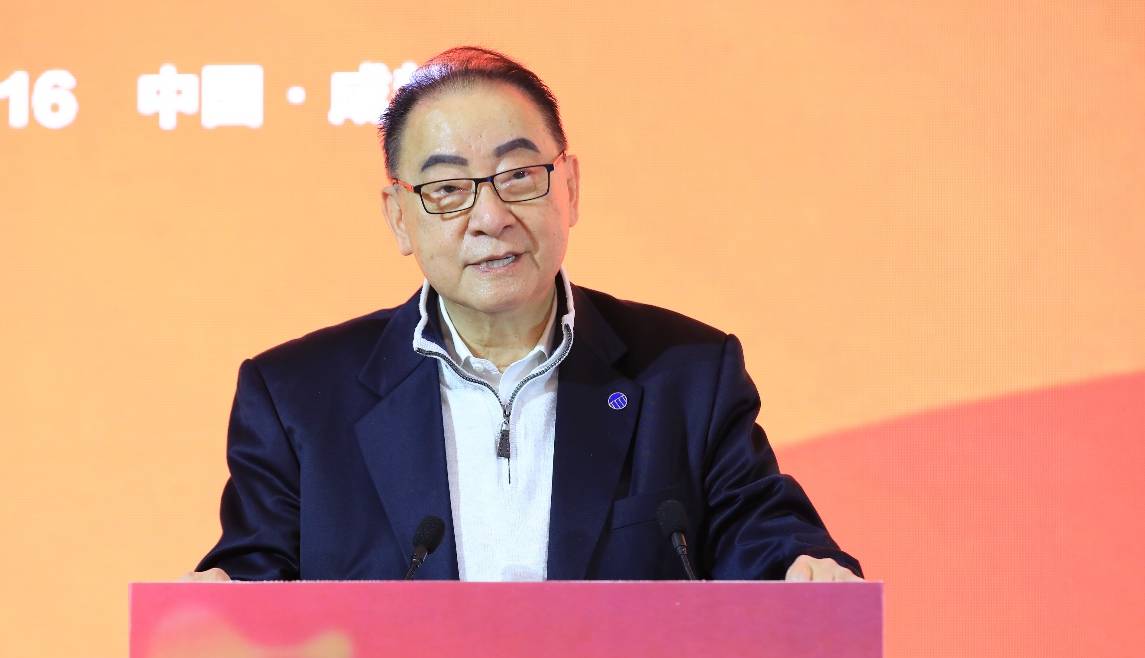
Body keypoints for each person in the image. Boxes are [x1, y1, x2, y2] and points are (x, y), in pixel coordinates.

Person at [182, 47, 861, 584]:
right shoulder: (297, 398)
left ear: (570, 187)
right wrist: (219, 601)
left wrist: (800, 570)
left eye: (518, 176)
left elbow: (761, 535)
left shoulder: (686, 375)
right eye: (448, 189)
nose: (490, 217)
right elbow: (254, 580)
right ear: (399, 218)